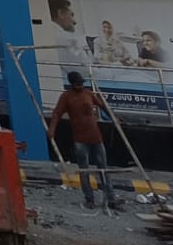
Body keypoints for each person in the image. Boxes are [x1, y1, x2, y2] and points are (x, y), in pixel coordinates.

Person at [48, 72, 123, 210]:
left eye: (82, 83)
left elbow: (102, 105)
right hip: (80, 139)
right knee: (84, 170)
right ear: (72, 84)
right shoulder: (66, 97)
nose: (80, 86)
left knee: (103, 168)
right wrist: (52, 130)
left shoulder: (88, 94)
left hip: (95, 136)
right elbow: (57, 113)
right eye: (78, 84)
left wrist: (113, 117)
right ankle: (89, 199)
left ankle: (111, 199)